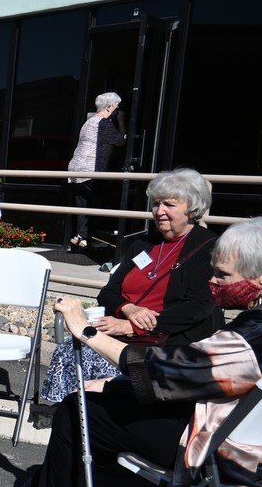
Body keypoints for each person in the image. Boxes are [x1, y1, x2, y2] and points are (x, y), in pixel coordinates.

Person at [0, 218, 262, 487]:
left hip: (220, 452)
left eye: (223, 276)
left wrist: (86, 330)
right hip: (226, 427)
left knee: (80, 408)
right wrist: (118, 383)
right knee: (106, 394)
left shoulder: (252, 337)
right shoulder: (251, 324)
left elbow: (163, 373)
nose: (213, 282)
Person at [40, 169, 221, 404]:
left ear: (192, 208)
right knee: (69, 349)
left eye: (169, 204)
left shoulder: (209, 248)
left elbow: (197, 308)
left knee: (94, 357)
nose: (160, 211)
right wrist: (128, 309)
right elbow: (107, 293)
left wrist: (132, 327)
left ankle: (95, 420)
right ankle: (69, 416)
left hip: (168, 340)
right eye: (156, 204)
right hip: (125, 331)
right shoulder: (142, 244)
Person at [64, 92, 125, 250]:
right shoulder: (102, 123)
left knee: (83, 205)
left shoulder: (89, 122)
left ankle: (81, 238)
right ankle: (98, 237)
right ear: (109, 107)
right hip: (90, 169)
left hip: (76, 169)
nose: (118, 110)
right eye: (117, 107)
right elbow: (120, 141)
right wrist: (121, 121)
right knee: (102, 202)